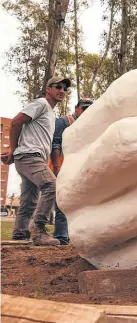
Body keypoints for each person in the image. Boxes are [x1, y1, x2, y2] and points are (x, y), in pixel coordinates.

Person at [1, 76, 71, 245]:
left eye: (64, 89)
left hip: (33, 157)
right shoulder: (41, 104)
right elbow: (17, 122)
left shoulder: (50, 113)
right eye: (58, 87)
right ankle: (38, 230)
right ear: (48, 89)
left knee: (29, 200)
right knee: (52, 185)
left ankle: (20, 234)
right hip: (29, 156)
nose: (62, 91)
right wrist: (13, 149)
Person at [49, 98, 94, 245]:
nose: (86, 112)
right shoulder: (64, 122)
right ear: (76, 109)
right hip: (61, 167)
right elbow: (55, 143)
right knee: (63, 202)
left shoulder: (88, 127)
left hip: (75, 169)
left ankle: (70, 237)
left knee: (77, 203)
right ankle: (61, 237)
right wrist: (56, 167)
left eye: (89, 109)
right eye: (84, 108)